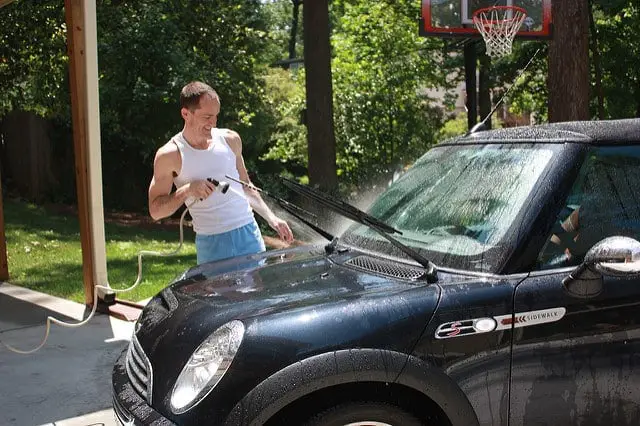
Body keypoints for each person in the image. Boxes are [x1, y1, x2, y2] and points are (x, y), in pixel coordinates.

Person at [148, 81, 293, 265]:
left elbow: (246, 186)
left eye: (216, 116)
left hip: (249, 234)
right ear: (186, 114)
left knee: (254, 293)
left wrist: (273, 219)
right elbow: (155, 211)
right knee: (220, 295)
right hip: (212, 242)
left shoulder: (230, 140)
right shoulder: (170, 155)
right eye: (207, 117)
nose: (213, 123)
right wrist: (188, 190)